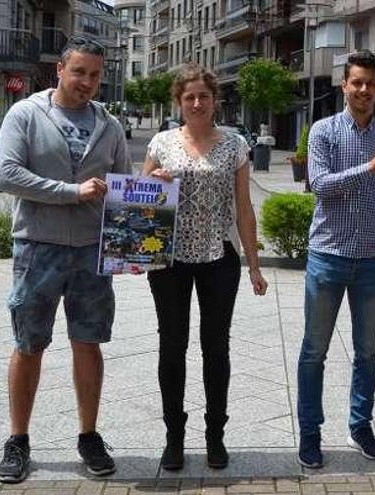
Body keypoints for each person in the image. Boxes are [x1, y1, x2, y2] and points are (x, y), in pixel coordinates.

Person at [0, 36, 130, 483]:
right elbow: (5, 173)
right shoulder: (26, 114)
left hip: (92, 250)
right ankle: (18, 440)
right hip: (39, 247)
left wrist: (150, 190)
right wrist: (72, 193)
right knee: (29, 343)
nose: (87, 82)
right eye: (79, 72)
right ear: (60, 70)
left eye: (94, 74)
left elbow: (123, 185)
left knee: (88, 343)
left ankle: (88, 436)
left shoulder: (109, 125)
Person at [141, 63, 267, 471]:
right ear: (178, 101)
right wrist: (155, 183)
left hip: (219, 258)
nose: (197, 103)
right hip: (169, 261)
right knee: (171, 346)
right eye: (189, 96)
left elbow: (244, 208)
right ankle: (173, 437)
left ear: (215, 101)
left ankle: (216, 436)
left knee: (216, 347)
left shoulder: (234, 145)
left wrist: (254, 265)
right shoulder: (160, 143)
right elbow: (142, 204)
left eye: (204, 97)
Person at [296, 50, 375, 469]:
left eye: (370, 84)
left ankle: (360, 425)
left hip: (372, 262)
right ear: (344, 85)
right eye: (356, 82)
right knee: (314, 351)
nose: (363, 90)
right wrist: (367, 168)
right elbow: (319, 185)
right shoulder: (323, 131)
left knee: (368, 352)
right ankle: (310, 432)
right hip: (328, 256)